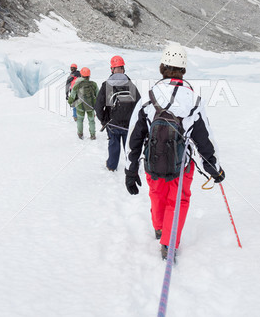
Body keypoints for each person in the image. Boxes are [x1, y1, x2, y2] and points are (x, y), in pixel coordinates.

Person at [124, 43, 225, 260]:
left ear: (162, 67)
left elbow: (135, 136)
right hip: (182, 164)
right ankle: (168, 244)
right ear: (183, 70)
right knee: (178, 200)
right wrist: (214, 169)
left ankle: (160, 229)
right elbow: (204, 139)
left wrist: (130, 170)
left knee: (156, 195)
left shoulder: (148, 97)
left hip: (153, 160)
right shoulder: (194, 100)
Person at [95, 56, 141, 171]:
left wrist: (104, 121)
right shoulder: (131, 85)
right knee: (129, 147)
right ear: (123, 69)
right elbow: (139, 105)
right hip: (128, 124)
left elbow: (98, 106)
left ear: (112, 69)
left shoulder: (107, 85)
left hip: (112, 124)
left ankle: (111, 166)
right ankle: (131, 166)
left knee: (113, 146)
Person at [68, 67, 99, 140]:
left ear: (81, 75)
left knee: (80, 120)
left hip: (79, 106)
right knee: (91, 120)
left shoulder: (77, 84)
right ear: (89, 75)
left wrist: (70, 102)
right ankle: (93, 135)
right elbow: (98, 95)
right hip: (90, 106)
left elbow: (72, 95)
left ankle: (80, 134)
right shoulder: (93, 84)